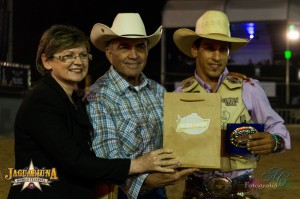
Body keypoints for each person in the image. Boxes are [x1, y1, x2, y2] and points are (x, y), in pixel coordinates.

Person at [7, 24, 181, 199]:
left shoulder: (72, 99)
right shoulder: (43, 100)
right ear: (46, 61)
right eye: (67, 56)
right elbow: (76, 161)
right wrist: (139, 165)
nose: (78, 61)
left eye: (83, 55)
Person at [172, 10, 291, 199]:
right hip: (196, 191)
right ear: (195, 50)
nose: (217, 57)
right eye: (209, 48)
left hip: (242, 191)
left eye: (223, 49)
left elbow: (277, 128)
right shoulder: (180, 95)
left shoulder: (249, 88)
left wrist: (274, 141)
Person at [86, 13, 198, 199]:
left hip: (158, 189)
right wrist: (147, 182)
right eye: (124, 47)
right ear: (109, 52)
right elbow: (108, 158)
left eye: (140, 47)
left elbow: (177, 136)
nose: (134, 55)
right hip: (118, 192)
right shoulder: (99, 96)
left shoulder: (158, 91)